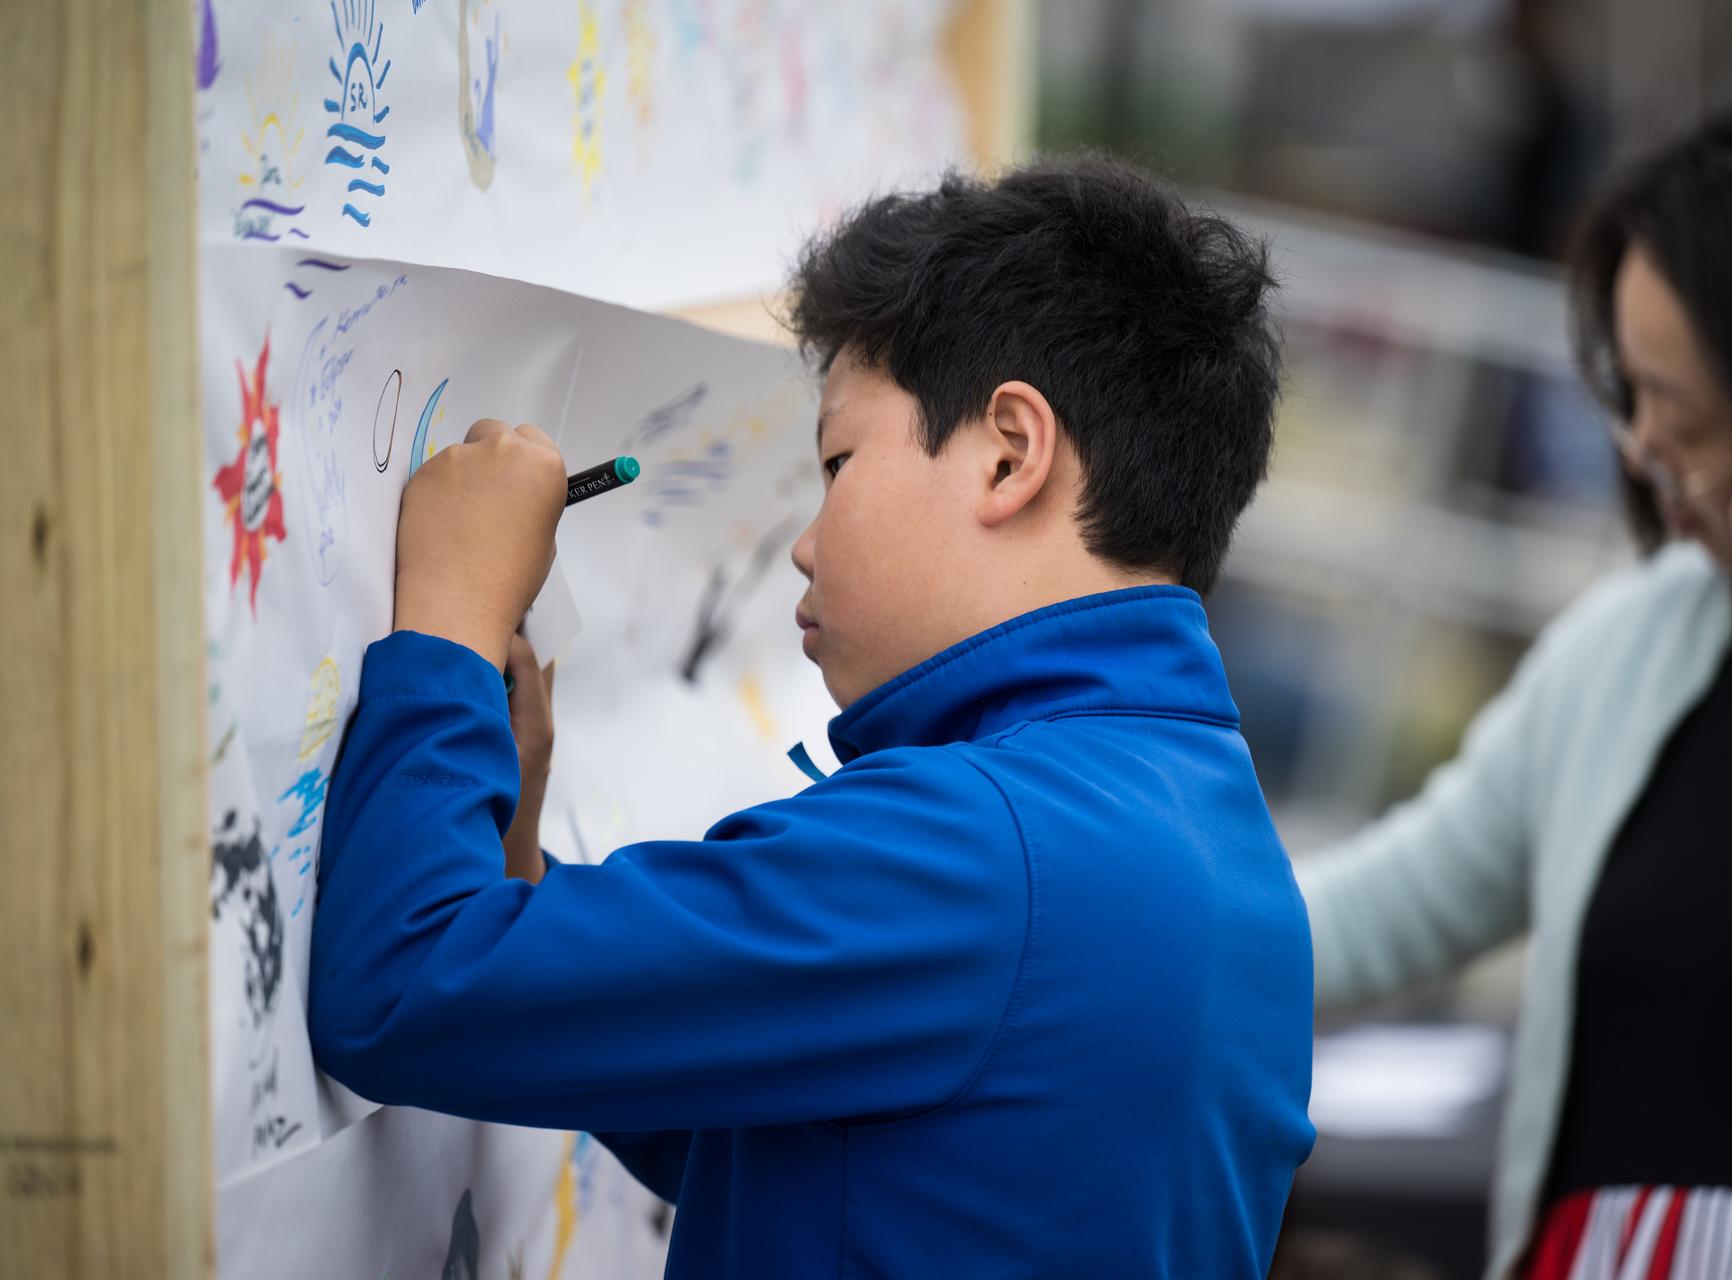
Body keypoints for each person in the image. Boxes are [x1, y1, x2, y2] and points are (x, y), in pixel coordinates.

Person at [308, 156, 1317, 1279]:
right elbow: (755, 1130)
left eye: (838, 462)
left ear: (1009, 454)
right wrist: (515, 850)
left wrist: (449, 617)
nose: (802, 543)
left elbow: (399, 982)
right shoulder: (1221, 852)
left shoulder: (980, 849)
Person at [1298, 80, 1732, 1279]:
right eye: (1627, 396)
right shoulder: (1632, 638)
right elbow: (1383, 909)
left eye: (1675, 410)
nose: (1640, 447)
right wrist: (1128, 928)